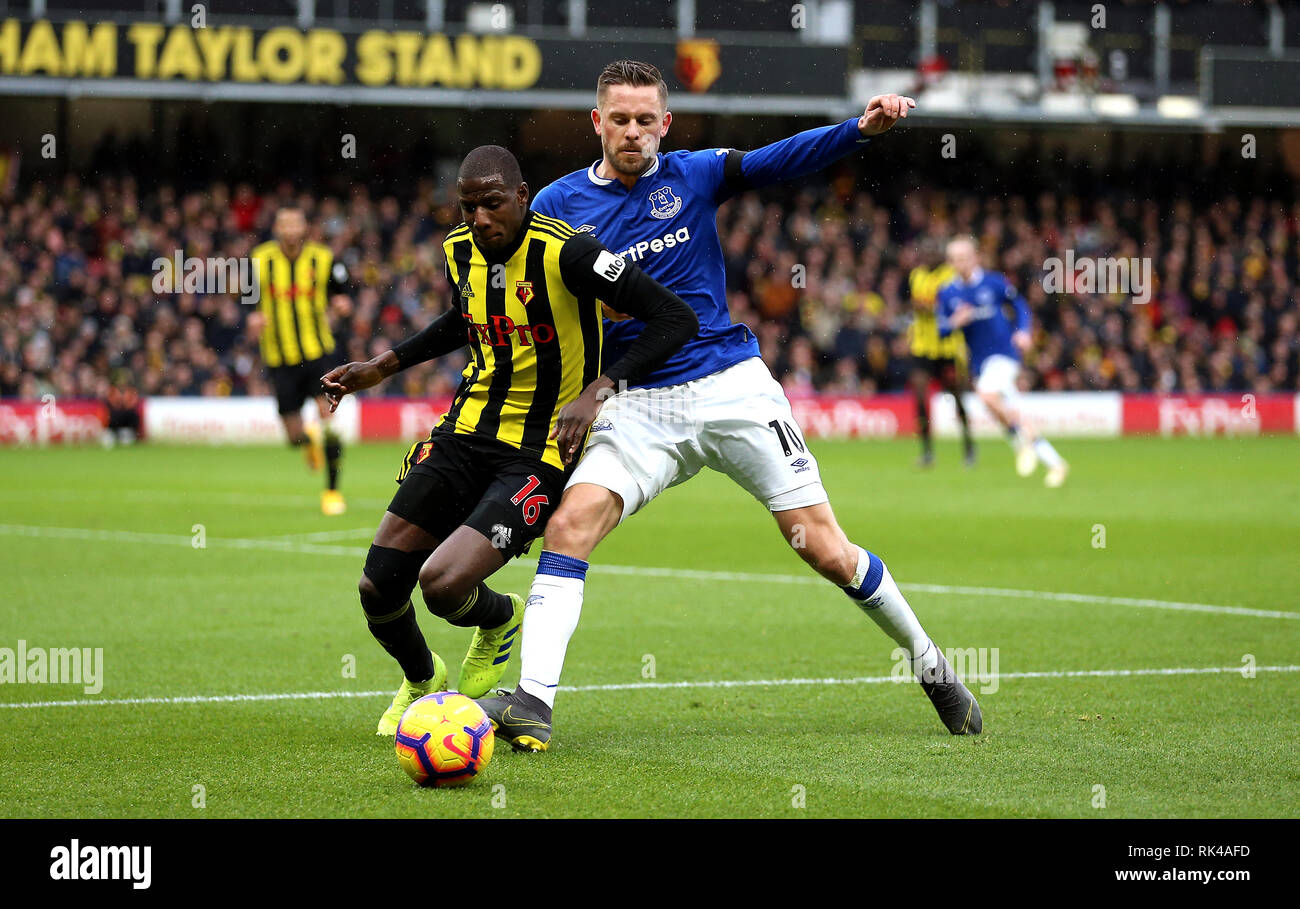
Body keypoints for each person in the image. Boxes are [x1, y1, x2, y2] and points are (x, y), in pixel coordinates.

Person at [479, 60, 983, 752]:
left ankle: (932, 666)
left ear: (666, 124)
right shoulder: (559, 207)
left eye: (645, 119)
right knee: (570, 526)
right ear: (597, 123)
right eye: (619, 119)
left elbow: (779, 161)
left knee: (828, 551)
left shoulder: (694, 173)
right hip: (637, 405)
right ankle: (534, 700)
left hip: (731, 386)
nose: (633, 131)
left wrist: (857, 131)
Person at [320, 145, 697, 735]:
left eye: (492, 204)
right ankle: (423, 681)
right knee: (378, 585)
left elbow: (675, 316)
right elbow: (461, 319)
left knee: (442, 585)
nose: (480, 218)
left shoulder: (569, 252)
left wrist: (600, 388)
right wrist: (382, 365)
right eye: (468, 206)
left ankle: (499, 619)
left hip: (539, 452)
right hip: (464, 433)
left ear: (522, 197)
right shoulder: (459, 252)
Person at [937, 237, 1068, 487]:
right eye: (955, 259)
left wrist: (1023, 331)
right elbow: (942, 330)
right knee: (1008, 412)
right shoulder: (948, 292)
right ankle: (1055, 463)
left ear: (976, 257)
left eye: (965, 257)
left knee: (987, 396)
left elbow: (1019, 305)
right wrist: (956, 321)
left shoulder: (993, 282)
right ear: (949, 262)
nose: (960, 263)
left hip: (1004, 354)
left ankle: (1021, 447)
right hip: (979, 363)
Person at [249, 206, 352, 515]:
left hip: (318, 353)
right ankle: (307, 441)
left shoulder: (322, 258)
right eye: (285, 225)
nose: (291, 230)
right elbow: (248, 299)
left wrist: (342, 303)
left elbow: (341, 290)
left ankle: (332, 492)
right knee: (293, 436)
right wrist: (253, 316)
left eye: (296, 224)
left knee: (330, 421)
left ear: (304, 227)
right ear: (277, 229)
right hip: (279, 357)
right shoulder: (259, 260)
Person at [907, 237, 974, 467]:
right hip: (923, 346)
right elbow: (916, 305)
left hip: (947, 347)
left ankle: (968, 447)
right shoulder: (916, 275)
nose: (928, 257)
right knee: (919, 395)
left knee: (957, 396)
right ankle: (927, 452)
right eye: (924, 253)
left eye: (932, 253)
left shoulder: (949, 274)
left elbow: (949, 303)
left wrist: (930, 307)